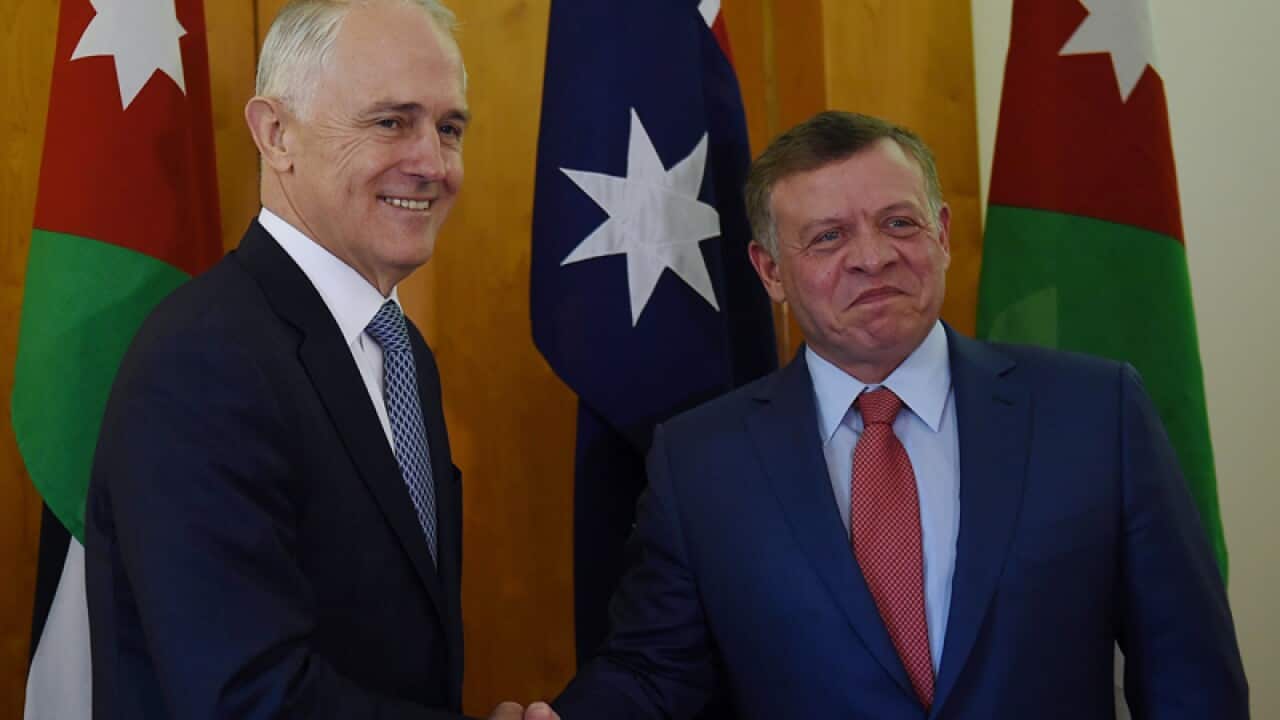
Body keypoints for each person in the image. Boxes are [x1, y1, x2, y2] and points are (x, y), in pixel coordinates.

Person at [546, 112, 1248, 718]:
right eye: (827, 238)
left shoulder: (1095, 414)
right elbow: (653, 675)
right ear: (769, 272)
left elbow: (1189, 674)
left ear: (941, 233)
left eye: (899, 222)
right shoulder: (700, 461)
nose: (874, 258)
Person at [85, 1, 527, 717]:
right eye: (391, 122)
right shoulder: (203, 362)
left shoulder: (398, 344)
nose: (432, 164)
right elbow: (243, 698)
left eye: (448, 129)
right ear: (277, 134)